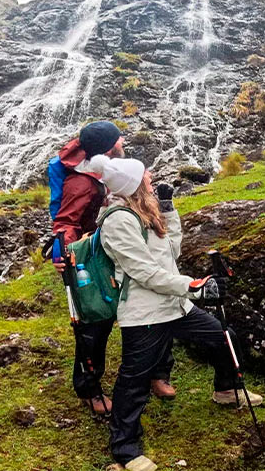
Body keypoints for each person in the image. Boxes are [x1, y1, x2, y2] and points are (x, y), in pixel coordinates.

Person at [83, 154, 264, 471]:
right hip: (145, 313)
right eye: (146, 176)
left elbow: (172, 252)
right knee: (134, 379)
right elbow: (145, 273)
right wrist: (194, 287)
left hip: (174, 305)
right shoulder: (118, 221)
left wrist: (169, 210)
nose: (151, 177)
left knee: (225, 338)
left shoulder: (143, 212)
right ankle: (125, 450)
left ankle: (226, 389)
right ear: (134, 185)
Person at [51, 121, 175, 418]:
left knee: (152, 304)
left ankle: (158, 372)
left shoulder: (111, 165)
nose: (123, 141)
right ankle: (89, 388)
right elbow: (66, 221)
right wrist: (65, 256)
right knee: (95, 322)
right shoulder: (81, 181)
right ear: (110, 146)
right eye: (119, 138)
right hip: (93, 256)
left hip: (122, 243)